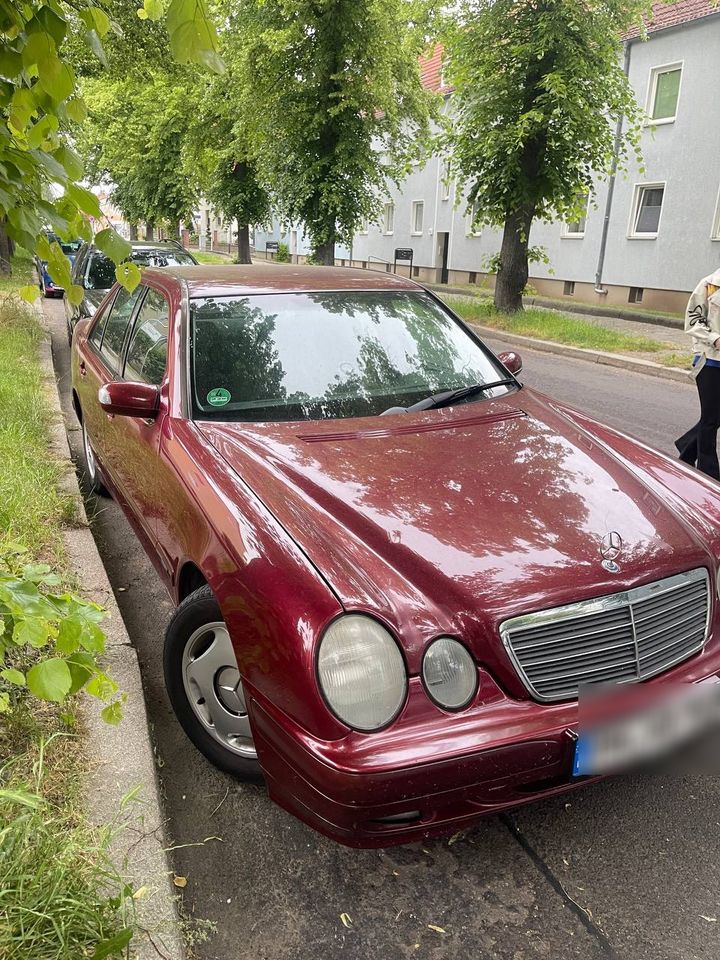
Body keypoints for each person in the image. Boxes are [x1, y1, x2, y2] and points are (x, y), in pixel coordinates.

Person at [675, 268, 720, 479]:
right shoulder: (710, 284)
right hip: (709, 360)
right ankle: (708, 474)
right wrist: (714, 338)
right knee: (711, 419)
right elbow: (692, 319)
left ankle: (687, 447)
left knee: (715, 417)